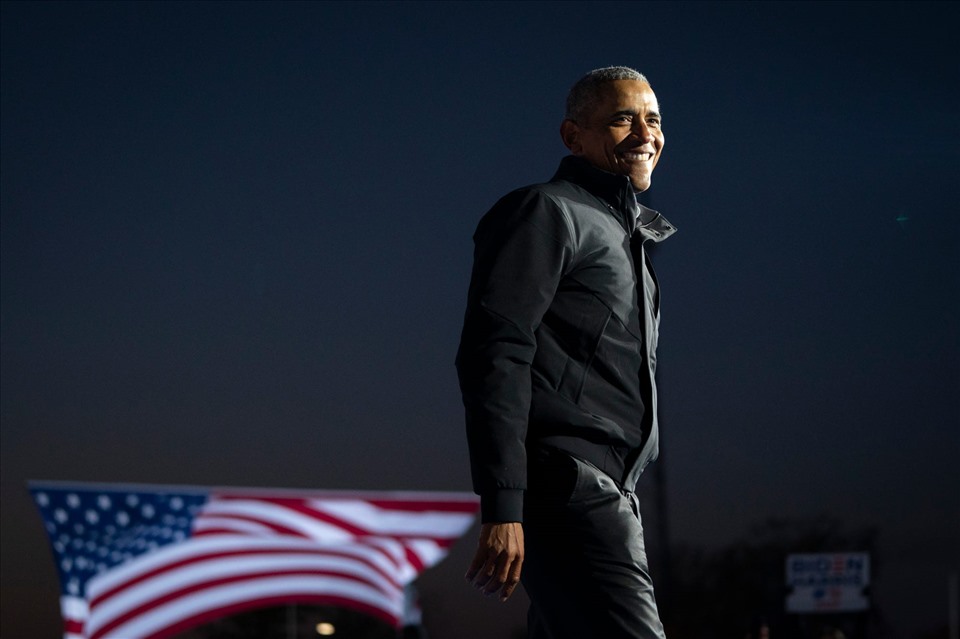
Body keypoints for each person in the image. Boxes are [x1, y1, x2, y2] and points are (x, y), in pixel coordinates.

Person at [455, 66, 676, 638]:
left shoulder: (629, 239)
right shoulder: (544, 212)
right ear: (572, 136)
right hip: (571, 484)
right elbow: (495, 352)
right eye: (622, 118)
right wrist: (504, 503)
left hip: (613, 489)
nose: (643, 134)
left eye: (652, 119)